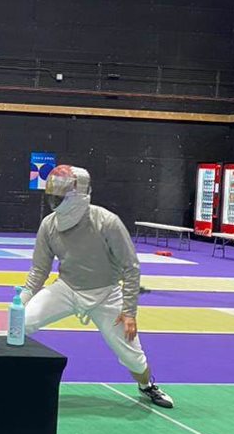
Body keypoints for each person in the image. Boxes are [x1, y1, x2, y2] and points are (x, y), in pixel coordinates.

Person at [22, 165, 174, 409]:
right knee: (19, 324)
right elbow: (40, 269)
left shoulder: (107, 222)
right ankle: (10, 379)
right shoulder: (49, 225)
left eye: (60, 195)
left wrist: (129, 312)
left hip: (106, 294)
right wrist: (23, 298)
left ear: (79, 195)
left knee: (132, 357)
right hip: (66, 289)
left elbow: (131, 267)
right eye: (53, 195)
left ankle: (146, 386)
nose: (55, 200)